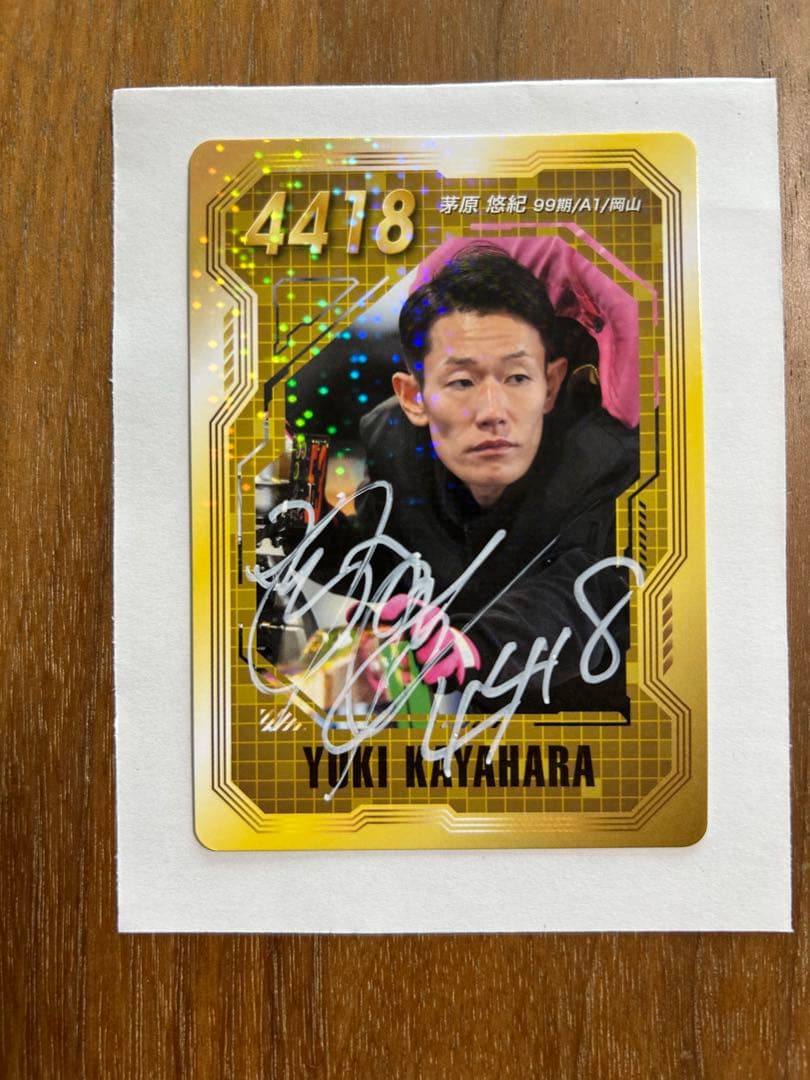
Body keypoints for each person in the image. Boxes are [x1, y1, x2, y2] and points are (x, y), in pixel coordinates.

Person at [278, 240, 640, 715]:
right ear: (413, 398)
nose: (493, 412)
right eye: (462, 382)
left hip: (584, 720)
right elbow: (380, 561)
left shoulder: (604, 462)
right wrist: (301, 501)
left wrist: (469, 644)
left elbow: (587, 596)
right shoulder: (393, 442)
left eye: (517, 378)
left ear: (550, 385)